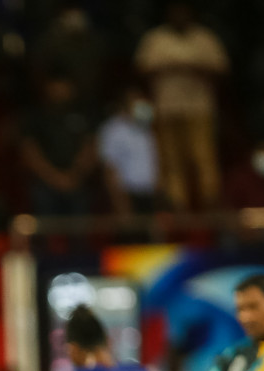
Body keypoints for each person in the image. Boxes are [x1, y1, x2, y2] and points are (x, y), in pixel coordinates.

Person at [136, 3, 229, 209]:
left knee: (203, 157)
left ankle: (210, 201)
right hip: (166, 107)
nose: (179, 16)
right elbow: (142, 70)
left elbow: (221, 69)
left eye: (184, 11)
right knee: (171, 159)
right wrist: (170, 67)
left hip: (199, 107)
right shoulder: (156, 38)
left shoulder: (204, 37)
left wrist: (190, 67)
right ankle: (177, 204)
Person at [18, 76, 97, 217]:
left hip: (76, 180)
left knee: (79, 229)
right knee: (44, 229)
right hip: (45, 182)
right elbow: (30, 152)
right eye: (56, 84)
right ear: (48, 87)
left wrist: (75, 174)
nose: (60, 89)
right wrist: (54, 177)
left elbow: (90, 146)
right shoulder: (37, 115)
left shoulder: (83, 114)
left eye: (64, 84)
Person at [98, 86, 160, 216]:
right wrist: (120, 201)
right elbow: (110, 168)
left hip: (150, 192)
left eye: (144, 104)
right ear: (126, 106)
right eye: (138, 104)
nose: (144, 108)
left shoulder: (147, 127)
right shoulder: (113, 130)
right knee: (132, 233)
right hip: (126, 194)